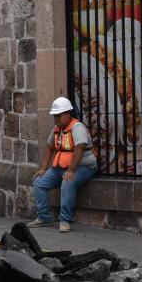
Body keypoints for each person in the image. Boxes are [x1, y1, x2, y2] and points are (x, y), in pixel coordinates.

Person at [32, 96, 97, 232]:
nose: (56, 118)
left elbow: (79, 149)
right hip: (60, 167)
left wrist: (71, 170)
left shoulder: (77, 127)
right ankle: (44, 218)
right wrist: (43, 168)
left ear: (68, 113)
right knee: (39, 181)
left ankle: (65, 219)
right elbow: (50, 147)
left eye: (59, 115)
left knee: (67, 182)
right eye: (55, 116)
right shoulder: (57, 128)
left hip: (82, 167)